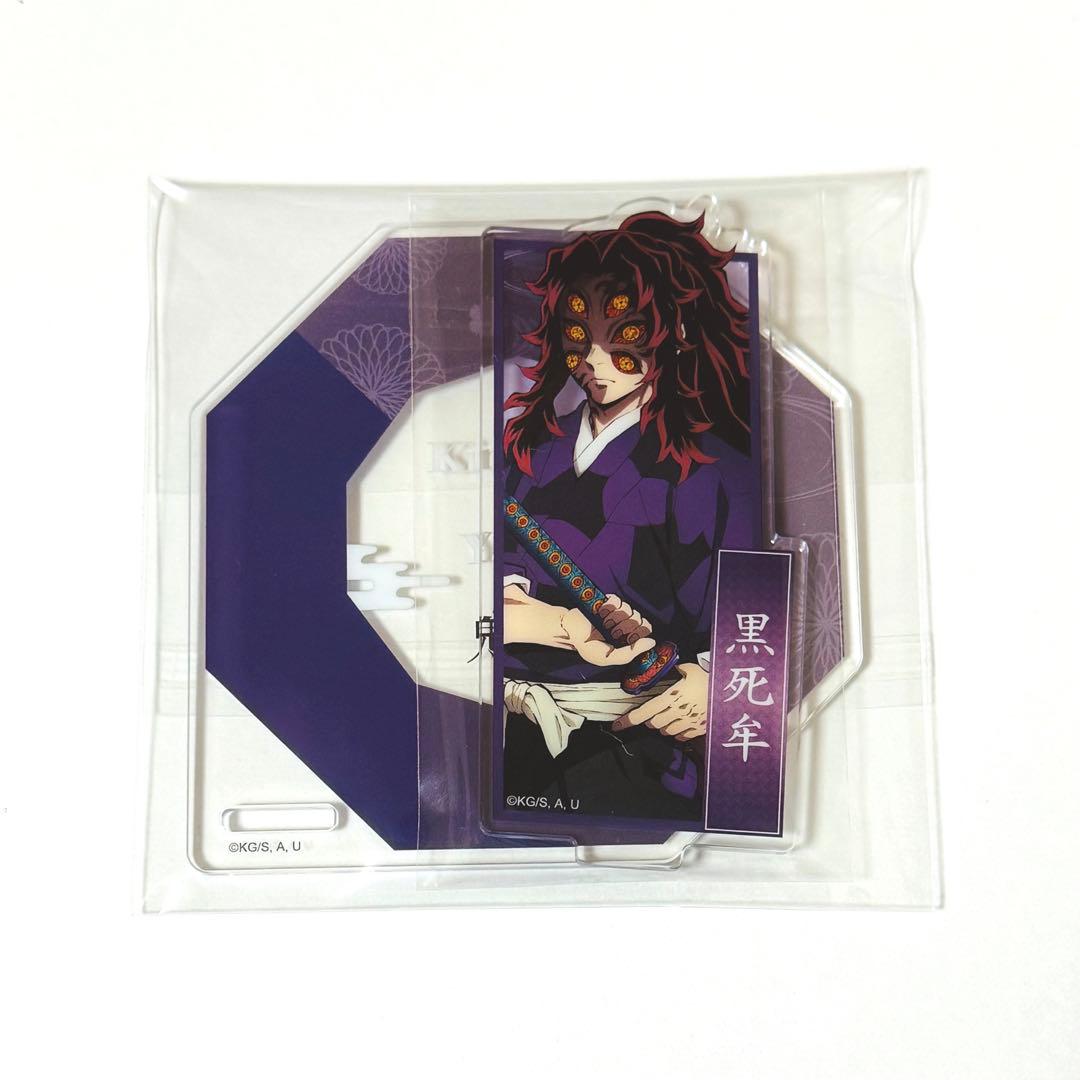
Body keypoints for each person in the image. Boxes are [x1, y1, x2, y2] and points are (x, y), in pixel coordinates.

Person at [501, 211, 756, 820]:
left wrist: (713, 686)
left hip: (643, 749)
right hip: (515, 730)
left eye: (625, 331)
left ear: (674, 330)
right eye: (577, 332)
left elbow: (754, 627)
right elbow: (488, 596)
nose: (593, 357)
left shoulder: (715, 470)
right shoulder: (531, 451)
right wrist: (563, 624)